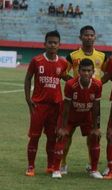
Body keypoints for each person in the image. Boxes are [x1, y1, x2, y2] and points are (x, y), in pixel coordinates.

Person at [61, 25, 106, 174]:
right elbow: (63, 72)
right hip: (74, 102)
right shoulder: (73, 56)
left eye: (91, 35)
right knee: (67, 134)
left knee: (93, 134)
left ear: (95, 37)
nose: (89, 37)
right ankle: (63, 163)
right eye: (86, 35)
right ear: (80, 37)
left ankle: (91, 164)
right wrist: (73, 84)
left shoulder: (102, 56)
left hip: (91, 102)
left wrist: (97, 85)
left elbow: (110, 73)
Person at [24, 30, 68, 176]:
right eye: (50, 42)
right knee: (35, 136)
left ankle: (50, 165)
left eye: (55, 43)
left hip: (55, 106)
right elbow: (28, 78)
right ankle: (31, 166)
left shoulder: (63, 62)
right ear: (45, 44)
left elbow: (65, 77)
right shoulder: (36, 61)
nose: (52, 45)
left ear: (59, 45)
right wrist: (27, 98)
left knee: (52, 137)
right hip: (39, 106)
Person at [52, 59, 103, 179]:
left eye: (89, 71)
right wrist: (63, 127)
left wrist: (96, 127)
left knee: (95, 136)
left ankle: (94, 169)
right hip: (70, 116)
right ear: (79, 71)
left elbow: (96, 107)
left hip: (87, 116)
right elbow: (66, 107)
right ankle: (57, 169)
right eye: (83, 70)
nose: (86, 73)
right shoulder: (71, 84)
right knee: (62, 136)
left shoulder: (97, 85)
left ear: (93, 72)